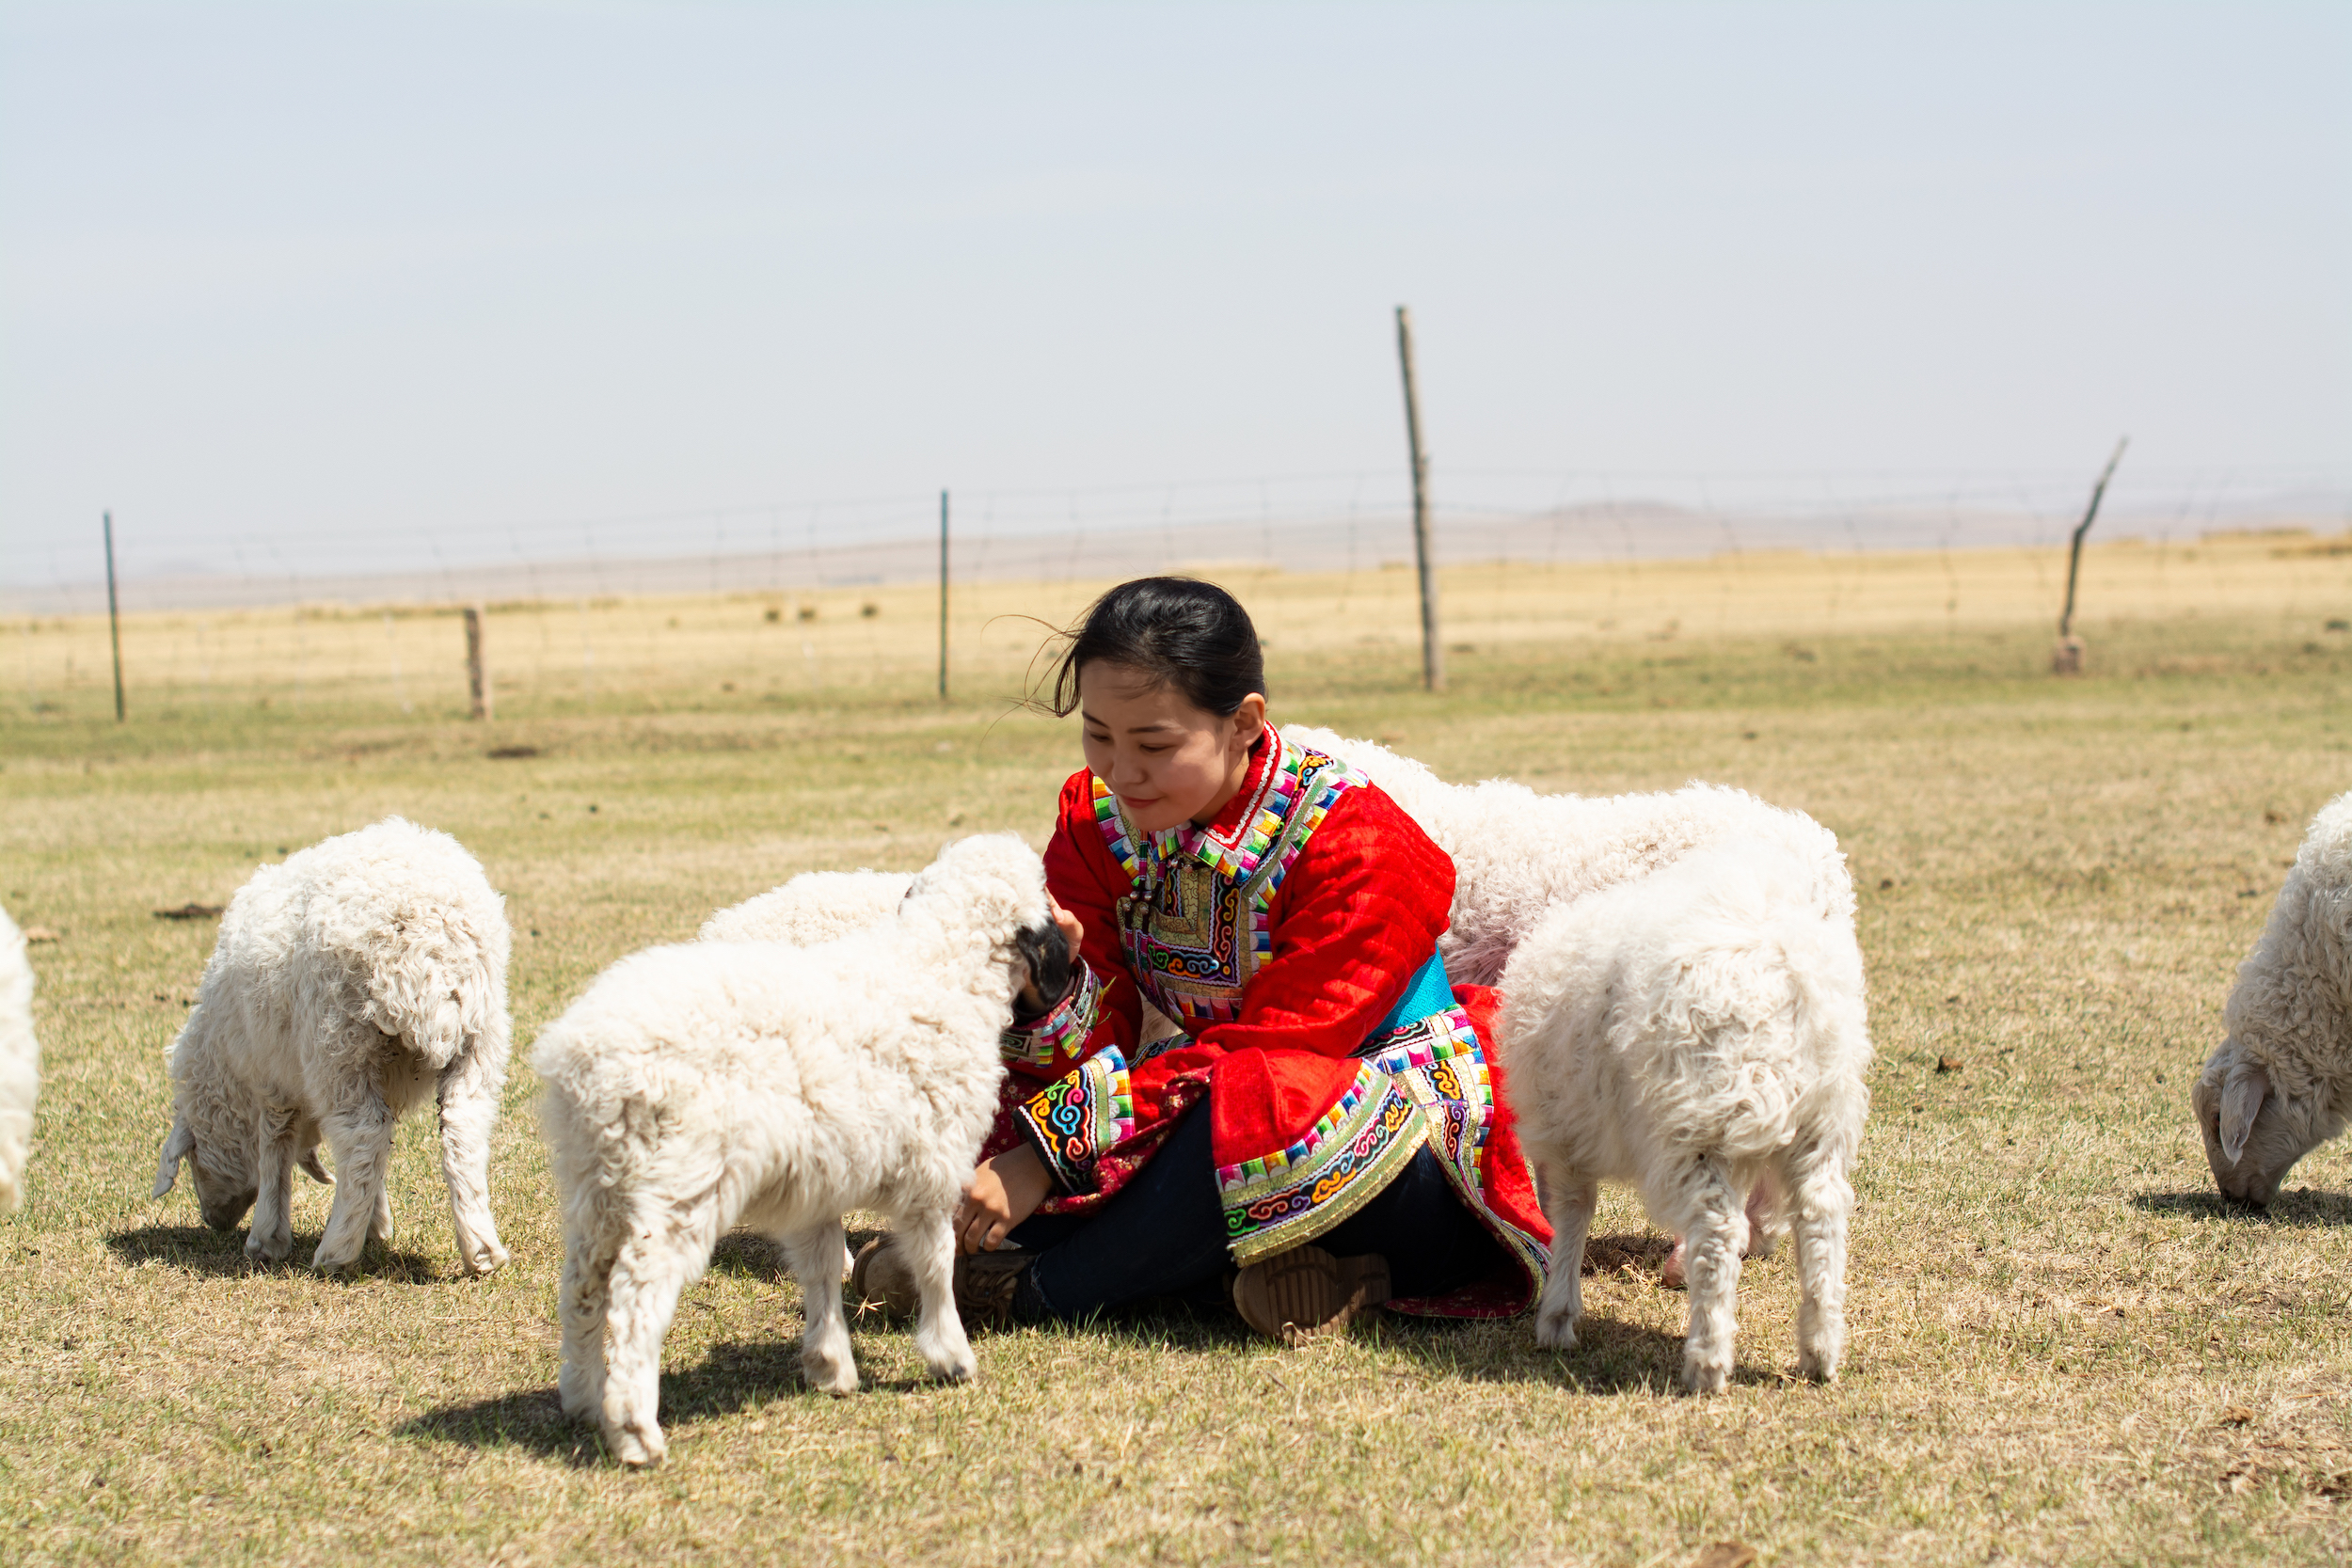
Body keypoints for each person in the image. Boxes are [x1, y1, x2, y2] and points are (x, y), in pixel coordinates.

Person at [855, 577, 1549, 1338]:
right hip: (1204, 1097)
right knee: (1031, 1118)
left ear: (1245, 722)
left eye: (1155, 744)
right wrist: (1050, 988)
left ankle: (1032, 1291)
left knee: (1260, 1099)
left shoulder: (1357, 841)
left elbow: (1282, 1046)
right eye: (1099, 734)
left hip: (1388, 1134)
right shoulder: (1097, 823)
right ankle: (1271, 1272)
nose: (1121, 770)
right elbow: (1105, 1037)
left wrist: (1051, 1156)